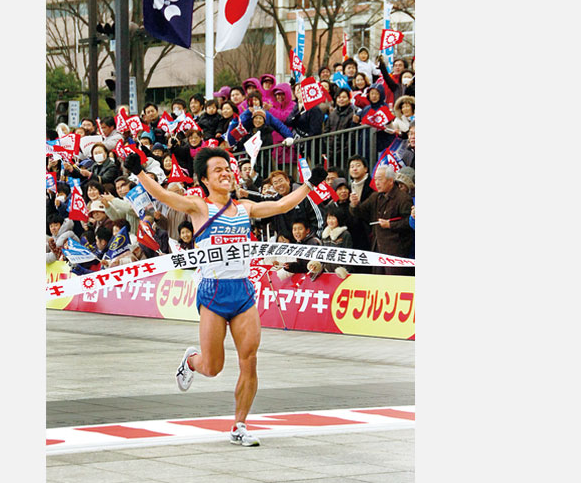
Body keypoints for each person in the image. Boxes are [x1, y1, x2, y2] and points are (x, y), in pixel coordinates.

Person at [123, 147, 327, 447]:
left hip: (242, 292)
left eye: (227, 168)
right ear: (204, 179)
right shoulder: (198, 208)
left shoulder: (246, 208)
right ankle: (191, 361)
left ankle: (240, 424)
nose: (225, 173)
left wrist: (310, 185)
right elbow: (165, 197)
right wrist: (138, 171)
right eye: (217, 169)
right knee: (213, 367)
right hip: (213, 293)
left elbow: (283, 205)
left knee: (250, 358)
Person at [349, 165, 414, 275]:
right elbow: (360, 213)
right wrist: (354, 205)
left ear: (390, 180)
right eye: (375, 180)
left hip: (396, 251)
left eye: (380, 179)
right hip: (377, 248)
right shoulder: (375, 197)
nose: (377, 183)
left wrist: (390, 225)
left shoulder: (402, 198)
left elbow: (410, 222)